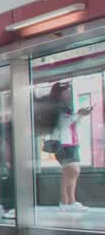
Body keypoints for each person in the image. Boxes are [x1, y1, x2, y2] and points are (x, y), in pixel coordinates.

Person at [47, 81, 91, 212]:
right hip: (62, 144)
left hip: (71, 142)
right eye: (66, 91)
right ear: (59, 94)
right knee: (72, 170)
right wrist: (77, 114)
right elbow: (63, 124)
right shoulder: (56, 108)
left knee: (72, 172)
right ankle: (66, 200)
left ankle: (68, 201)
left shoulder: (66, 107)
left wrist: (80, 116)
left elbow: (73, 125)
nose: (69, 93)